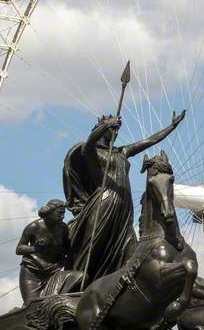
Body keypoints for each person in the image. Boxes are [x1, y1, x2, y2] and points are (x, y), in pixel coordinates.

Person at [54, 108, 186, 289]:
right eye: (113, 129)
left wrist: (171, 127)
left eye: (117, 129)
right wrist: (106, 124)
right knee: (94, 244)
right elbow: (91, 140)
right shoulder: (90, 151)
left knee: (128, 246)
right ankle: (78, 284)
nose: (116, 132)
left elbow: (148, 141)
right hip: (104, 203)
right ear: (102, 127)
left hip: (124, 206)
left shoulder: (121, 152)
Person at [15, 199, 71, 304]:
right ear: (49, 212)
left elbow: (68, 249)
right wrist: (35, 249)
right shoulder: (33, 227)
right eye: (59, 213)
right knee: (32, 305)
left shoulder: (63, 228)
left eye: (63, 214)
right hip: (33, 271)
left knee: (52, 305)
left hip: (54, 271)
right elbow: (19, 249)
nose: (62, 216)